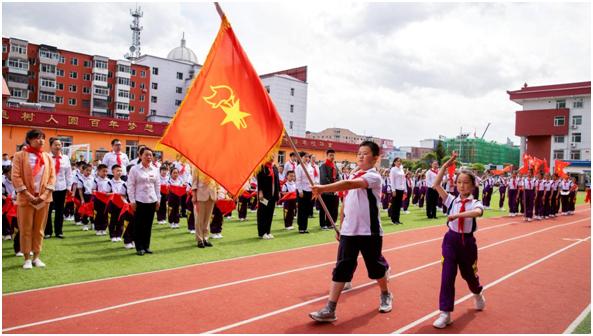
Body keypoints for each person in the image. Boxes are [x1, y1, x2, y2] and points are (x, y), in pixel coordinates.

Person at [309, 141, 392, 322]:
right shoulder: (355, 173)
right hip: (349, 231)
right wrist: (341, 225)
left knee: (376, 268)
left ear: (376, 158)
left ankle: (385, 293)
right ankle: (330, 308)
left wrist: (323, 188)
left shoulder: (373, 177)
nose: (361, 156)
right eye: (359, 153)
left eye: (366, 153)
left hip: (369, 232)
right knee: (341, 269)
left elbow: (348, 184)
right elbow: (346, 202)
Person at [431, 152, 486, 329]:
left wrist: (457, 215)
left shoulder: (475, 202)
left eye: (466, 183)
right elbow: (436, 184)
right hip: (450, 241)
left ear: (472, 186)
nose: (461, 186)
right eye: (459, 182)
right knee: (447, 276)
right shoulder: (451, 199)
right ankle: (445, 313)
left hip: (467, 244)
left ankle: (477, 292)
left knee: (468, 275)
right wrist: (445, 166)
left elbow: (478, 213)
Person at [11, 129, 56, 269]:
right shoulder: (20, 156)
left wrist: (44, 195)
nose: (41, 140)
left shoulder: (47, 157)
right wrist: (28, 195)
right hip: (26, 198)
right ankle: (27, 258)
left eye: (42, 138)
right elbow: (16, 176)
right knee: (25, 229)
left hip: (43, 199)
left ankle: (36, 256)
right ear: (29, 140)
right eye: (37, 137)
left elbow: (52, 177)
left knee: (39, 229)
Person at [127, 147, 160, 256]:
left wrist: (158, 199)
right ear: (140, 156)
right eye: (146, 155)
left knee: (148, 225)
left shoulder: (155, 169)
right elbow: (130, 186)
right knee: (139, 225)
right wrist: (132, 201)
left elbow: (157, 185)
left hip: (152, 200)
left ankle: (146, 246)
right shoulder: (134, 169)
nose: (149, 157)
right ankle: (139, 247)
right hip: (139, 200)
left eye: (150, 155)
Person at [44, 137, 72, 239]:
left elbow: (69, 174)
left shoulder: (65, 158)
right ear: (50, 146)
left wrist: (69, 186)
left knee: (60, 211)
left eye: (59, 145)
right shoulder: (46, 157)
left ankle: (59, 231)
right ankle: (48, 232)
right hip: (48, 188)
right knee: (48, 210)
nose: (58, 146)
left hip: (62, 187)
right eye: (55, 144)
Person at [256, 155, 280, 239]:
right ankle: (262, 233)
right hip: (264, 195)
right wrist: (260, 192)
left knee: (270, 213)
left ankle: (268, 231)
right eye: (270, 156)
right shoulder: (262, 167)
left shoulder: (274, 167)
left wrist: (278, 192)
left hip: (273, 195)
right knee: (263, 213)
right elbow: (260, 181)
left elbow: (277, 181)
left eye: (273, 156)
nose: (272, 157)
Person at [192, 170, 217, 248]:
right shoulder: (197, 166)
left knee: (207, 219)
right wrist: (194, 195)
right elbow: (194, 183)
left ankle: (205, 238)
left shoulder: (213, 166)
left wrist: (218, 192)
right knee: (199, 218)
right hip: (201, 194)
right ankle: (200, 240)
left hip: (211, 194)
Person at [319, 149, 340, 230]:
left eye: (333, 155)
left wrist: (336, 187)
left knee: (332, 208)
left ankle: (329, 223)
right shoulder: (323, 166)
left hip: (334, 191)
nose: (332, 157)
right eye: (330, 155)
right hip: (325, 191)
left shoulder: (335, 166)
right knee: (324, 209)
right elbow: (324, 179)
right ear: (327, 156)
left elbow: (338, 177)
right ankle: (322, 224)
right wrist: (333, 187)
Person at [107, 165, 127, 242]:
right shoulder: (109, 182)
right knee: (112, 220)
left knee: (121, 220)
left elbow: (125, 194)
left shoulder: (123, 183)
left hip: (122, 204)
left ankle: (119, 235)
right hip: (113, 204)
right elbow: (106, 193)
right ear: (113, 172)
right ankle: (112, 236)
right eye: (117, 171)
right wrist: (114, 194)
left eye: (120, 171)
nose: (119, 172)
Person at [295, 152, 314, 234]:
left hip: (309, 190)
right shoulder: (299, 167)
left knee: (307, 210)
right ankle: (301, 227)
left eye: (308, 157)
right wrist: (300, 191)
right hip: (302, 190)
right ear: (301, 158)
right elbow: (298, 180)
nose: (307, 159)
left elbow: (312, 179)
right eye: (305, 157)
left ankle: (305, 227)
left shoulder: (310, 167)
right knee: (302, 209)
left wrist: (313, 189)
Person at [389, 157, 406, 224]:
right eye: (397, 161)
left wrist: (404, 189)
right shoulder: (393, 169)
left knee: (399, 205)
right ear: (394, 162)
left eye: (400, 161)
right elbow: (392, 181)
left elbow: (403, 179)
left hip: (401, 189)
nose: (399, 162)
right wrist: (393, 190)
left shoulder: (401, 169)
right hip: (396, 189)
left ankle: (397, 219)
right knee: (395, 205)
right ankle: (393, 220)